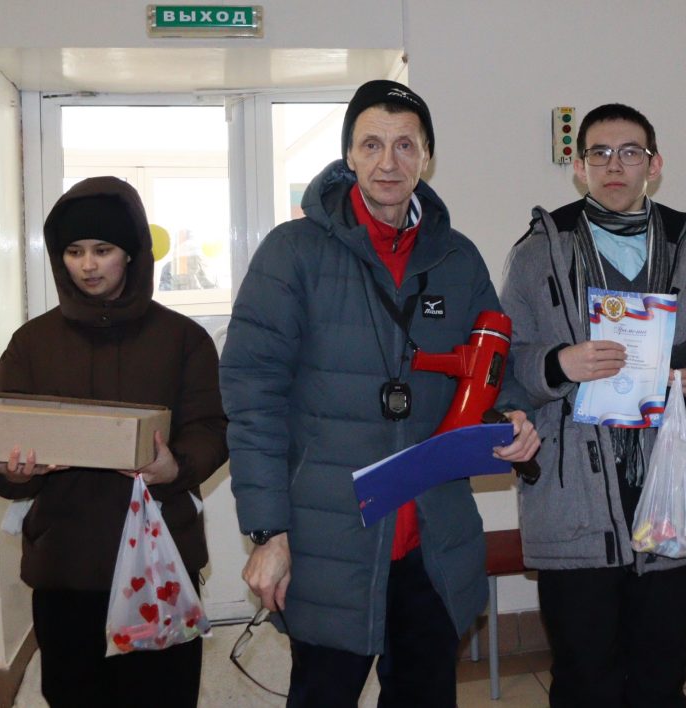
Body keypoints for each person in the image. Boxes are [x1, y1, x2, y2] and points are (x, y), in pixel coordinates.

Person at [219, 79, 539, 708]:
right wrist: (268, 532)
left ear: (427, 157)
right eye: (371, 144)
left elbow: (498, 371)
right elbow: (252, 397)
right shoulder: (292, 253)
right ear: (349, 156)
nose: (388, 162)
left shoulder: (457, 260)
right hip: (328, 542)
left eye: (405, 145)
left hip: (432, 543)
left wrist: (512, 416)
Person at [499, 102, 686, 707]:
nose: (615, 166)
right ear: (579, 166)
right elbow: (505, 362)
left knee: (662, 679)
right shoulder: (539, 251)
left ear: (653, 164)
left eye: (630, 152)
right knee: (585, 682)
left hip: (669, 488)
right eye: (600, 153)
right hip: (574, 500)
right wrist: (558, 364)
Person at [0, 176, 229, 707]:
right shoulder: (32, 343)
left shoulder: (183, 339)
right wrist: (12, 474)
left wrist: (176, 466)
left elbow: (212, 428)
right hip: (66, 568)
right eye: (74, 252)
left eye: (102, 249)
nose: (88, 265)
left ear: (132, 254)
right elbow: (1, 444)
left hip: (160, 563)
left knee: (163, 697)